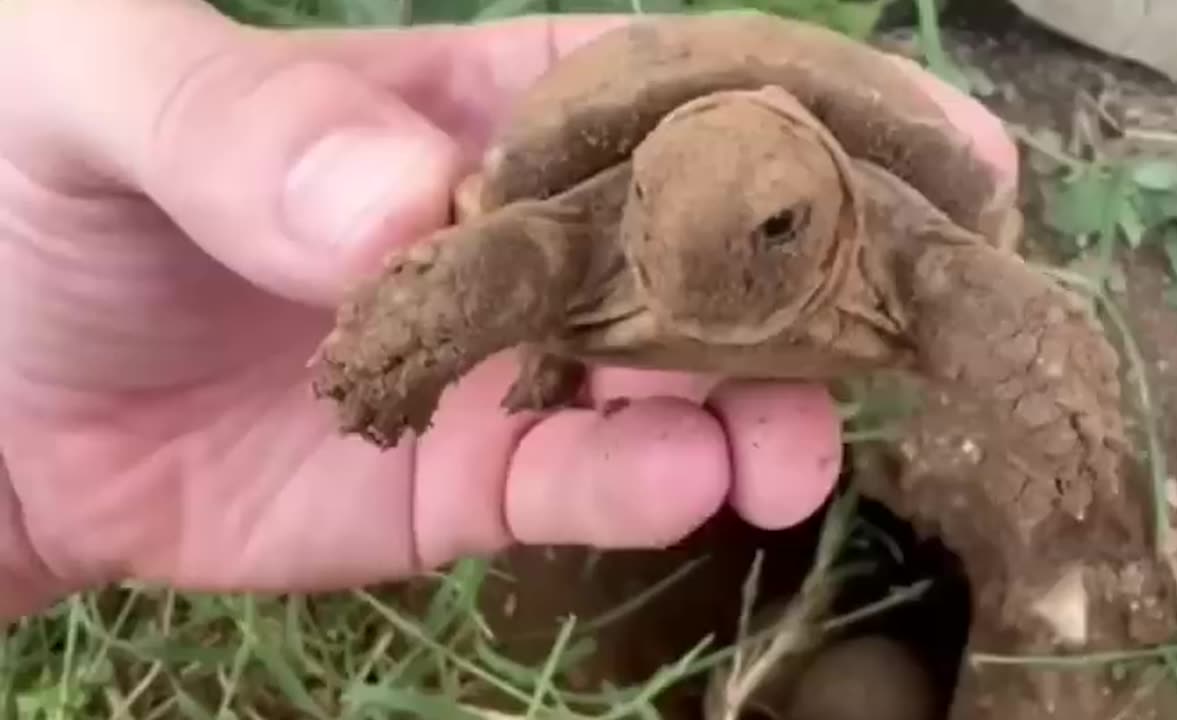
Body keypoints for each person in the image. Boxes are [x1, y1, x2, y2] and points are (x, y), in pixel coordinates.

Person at [0, 0, 1018, 622]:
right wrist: (386, 358)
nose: (692, 264)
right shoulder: (570, 237)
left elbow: (996, 300)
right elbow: (498, 256)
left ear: (828, 204)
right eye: (652, 218)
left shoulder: (902, 230)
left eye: (770, 230)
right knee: (529, 264)